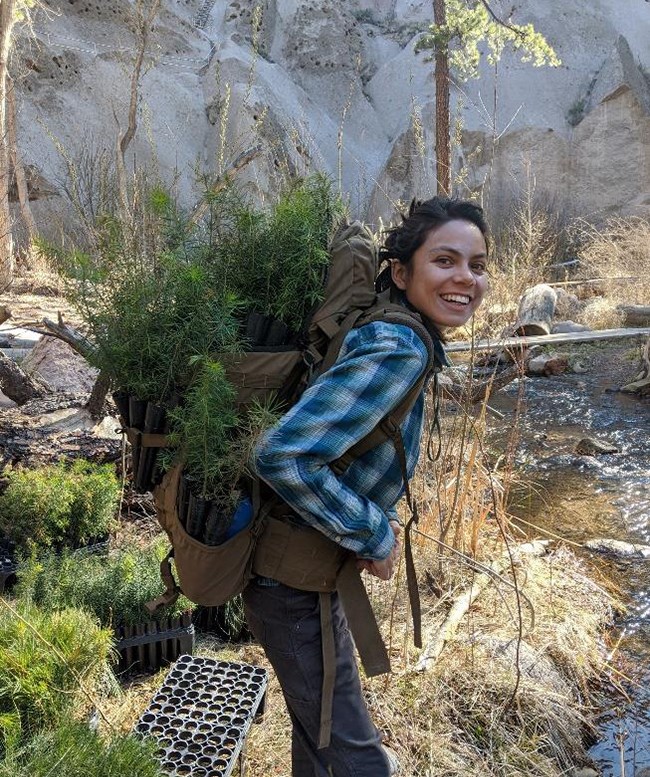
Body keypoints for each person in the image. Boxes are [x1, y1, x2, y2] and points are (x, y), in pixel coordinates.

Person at [243, 196, 489, 776]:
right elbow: (284, 454)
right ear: (401, 273)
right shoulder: (400, 346)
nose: (465, 279)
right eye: (446, 260)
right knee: (357, 760)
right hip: (292, 580)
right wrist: (374, 533)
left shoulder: (394, 330)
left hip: (298, 573)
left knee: (320, 739)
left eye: (477, 265)